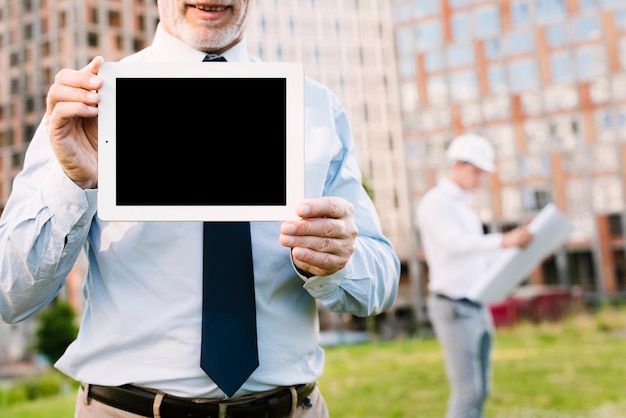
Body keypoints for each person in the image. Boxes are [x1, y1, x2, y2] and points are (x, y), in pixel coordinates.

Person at [0, 1, 400, 417]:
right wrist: (71, 184)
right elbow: (11, 294)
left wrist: (339, 261)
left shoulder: (316, 107)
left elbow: (382, 280)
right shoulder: (87, 104)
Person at [417, 133, 533, 418]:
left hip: (476, 303)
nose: (479, 180)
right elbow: (453, 244)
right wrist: (503, 241)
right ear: (458, 164)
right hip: (454, 305)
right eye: (476, 172)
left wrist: (518, 251)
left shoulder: (463, 207)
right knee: (467, 392)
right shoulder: (436, 202)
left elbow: (477, 255)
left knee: (481, 390)